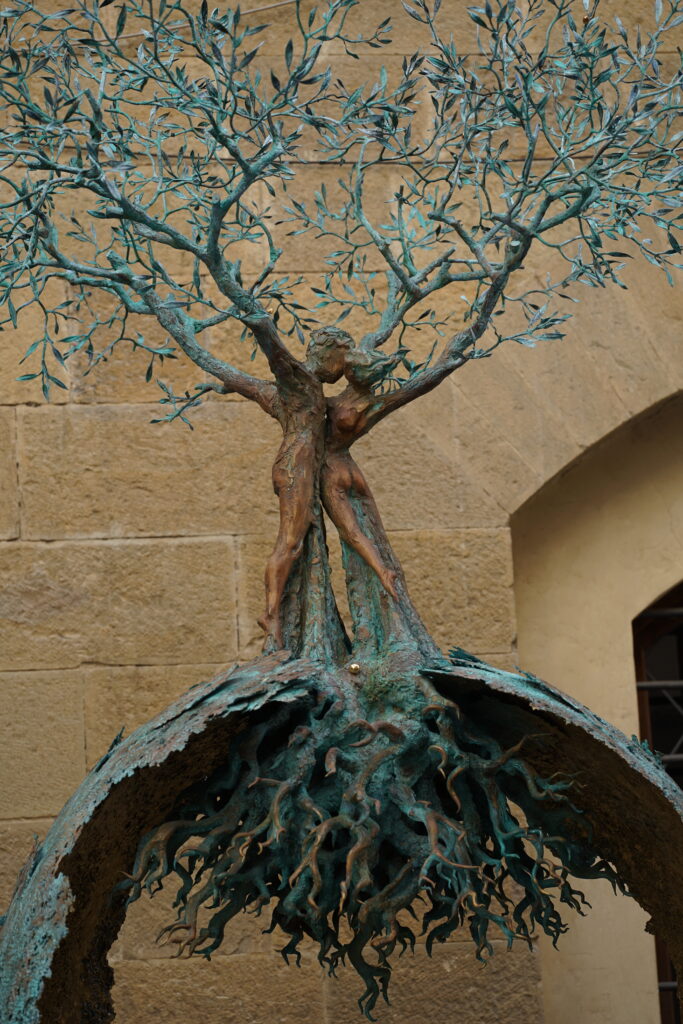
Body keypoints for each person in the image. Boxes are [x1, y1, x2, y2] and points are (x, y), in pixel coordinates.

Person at [258, 327, 401, 649]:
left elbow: (251, 387)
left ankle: (383, 573)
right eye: (344, 354)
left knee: (314, 538)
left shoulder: (315, 390)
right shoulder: (298, 381)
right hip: (296, 468)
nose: (346, 364)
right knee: (291, 542)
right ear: (330, 351)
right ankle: (271, 615)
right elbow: (271, 354)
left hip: (311, 467)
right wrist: (259, 323)